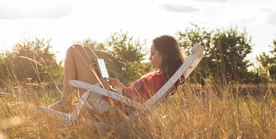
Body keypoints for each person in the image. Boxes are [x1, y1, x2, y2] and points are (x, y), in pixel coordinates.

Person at [50, 35, 184, 113]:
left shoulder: (158, 79)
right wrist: (120, 87)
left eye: (153, 54)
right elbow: (135, 97)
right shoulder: (160, 78)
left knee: (75, 49)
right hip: (110, 99)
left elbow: (134, 103)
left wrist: (108, 90)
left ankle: (64, 102)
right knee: (87, 49)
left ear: (165, 55)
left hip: (106, 106)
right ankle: (67, 103)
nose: (149, 58)